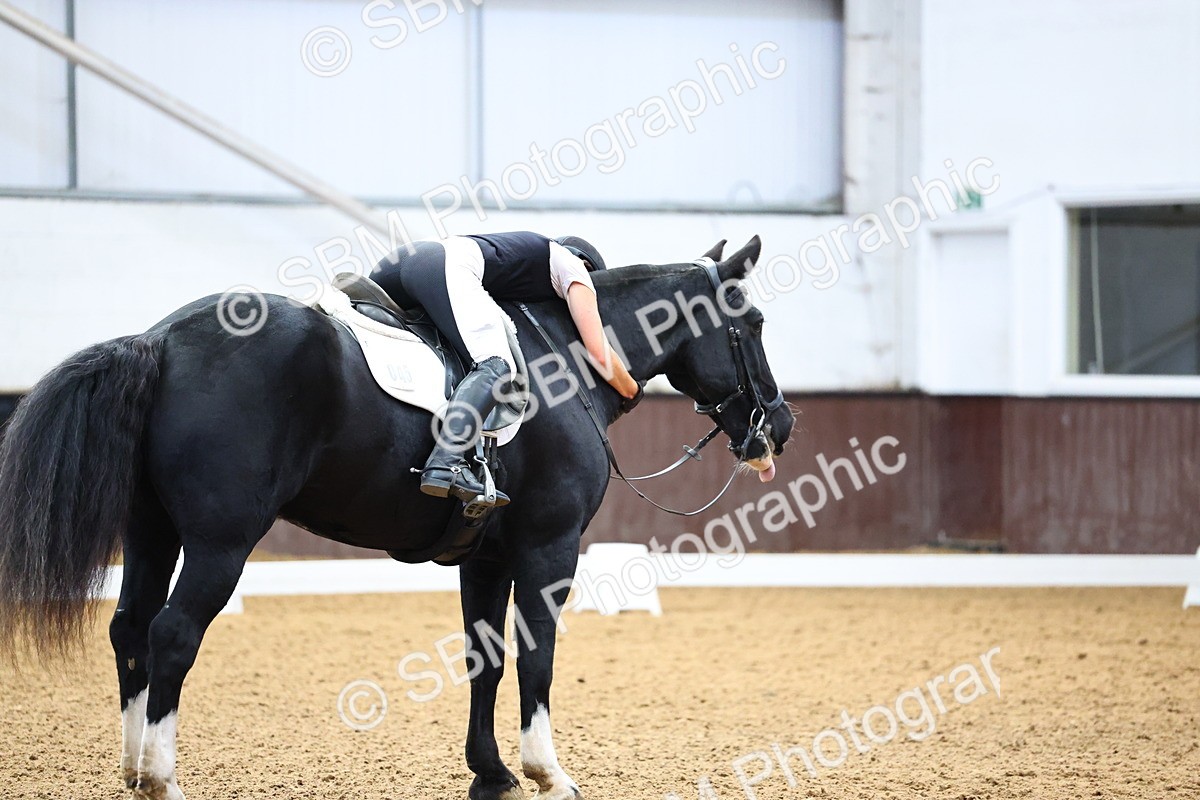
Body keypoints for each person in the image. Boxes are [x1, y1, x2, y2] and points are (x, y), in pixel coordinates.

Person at [371, 231, 643, 506]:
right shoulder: (574, 268)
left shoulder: (522, 260)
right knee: (496, 365)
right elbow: (598, 352)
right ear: (586, 266)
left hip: (395, 266)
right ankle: (447, 460)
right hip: (441, 267)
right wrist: (631, 391)